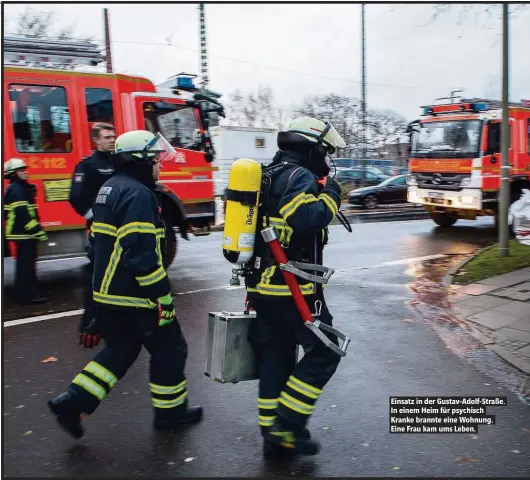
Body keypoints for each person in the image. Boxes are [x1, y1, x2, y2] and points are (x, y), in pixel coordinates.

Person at [48, 130, 202, 439]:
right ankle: (170, 415)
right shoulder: (139, 195)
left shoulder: (110, 187)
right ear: (140, 161)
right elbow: (141, 255)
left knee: (121, 350)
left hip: (110, 294)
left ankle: (72, 401)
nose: (160, 164)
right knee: (171, 349)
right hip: (137, 297)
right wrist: (163, 297)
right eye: (155, 159)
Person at [245, 117, 346, 456]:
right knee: (326, 351)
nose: (327, 160)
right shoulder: (298, 175)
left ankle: (272, 437)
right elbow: (306, 219)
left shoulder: (267, 173)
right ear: (311, 148)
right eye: (326, 152)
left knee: (277, 356)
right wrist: (332, 192)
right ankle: (287, 424)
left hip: (262, 288)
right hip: (293, 290)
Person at [69, 122, 116, 334]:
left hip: (120, 228)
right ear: (96, 141)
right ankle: (90, 323)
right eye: (107, 137)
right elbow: (76, 197)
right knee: (98, 276)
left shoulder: (119, 161)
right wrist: (93, 216)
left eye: (113, 136)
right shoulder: (87, 165)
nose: (112, 140)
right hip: (99, 230)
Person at [3, 158, 48, 305]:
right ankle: (28, 296)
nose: (25, 172)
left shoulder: (17, 187)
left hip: (21, 233)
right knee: (26, 266)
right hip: (24, 234)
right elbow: (23, 214)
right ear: (13, 173)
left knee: (24, 265)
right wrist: (38, 231)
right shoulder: (17, 190)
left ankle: (24, 293)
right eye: (21, 170)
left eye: (24, 169)